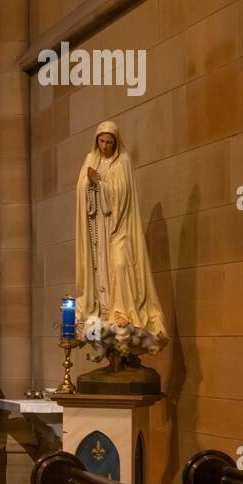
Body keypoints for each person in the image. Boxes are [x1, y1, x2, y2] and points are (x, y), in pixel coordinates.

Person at [74, 120, 166, 337]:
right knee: (99, 270)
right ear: (96, 141)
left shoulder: (123, 160)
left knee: (120, 265)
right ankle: (104, 309)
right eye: (101, 141)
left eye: (109, 142)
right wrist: (88, 184)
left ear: (116, 143)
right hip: (97, 226)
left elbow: (122, 195)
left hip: (118, 225)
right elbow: (80, 191)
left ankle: (122, 310)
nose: (105, 146)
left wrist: (100, 184)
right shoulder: (91, 159)